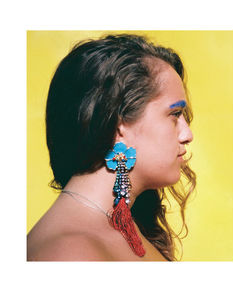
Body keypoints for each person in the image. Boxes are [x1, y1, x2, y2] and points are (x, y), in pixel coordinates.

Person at [27, 34, 196, 261]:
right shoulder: (69, 253)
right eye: (174, 114)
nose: (187, 135)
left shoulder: (122, 226)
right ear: (119, 124)